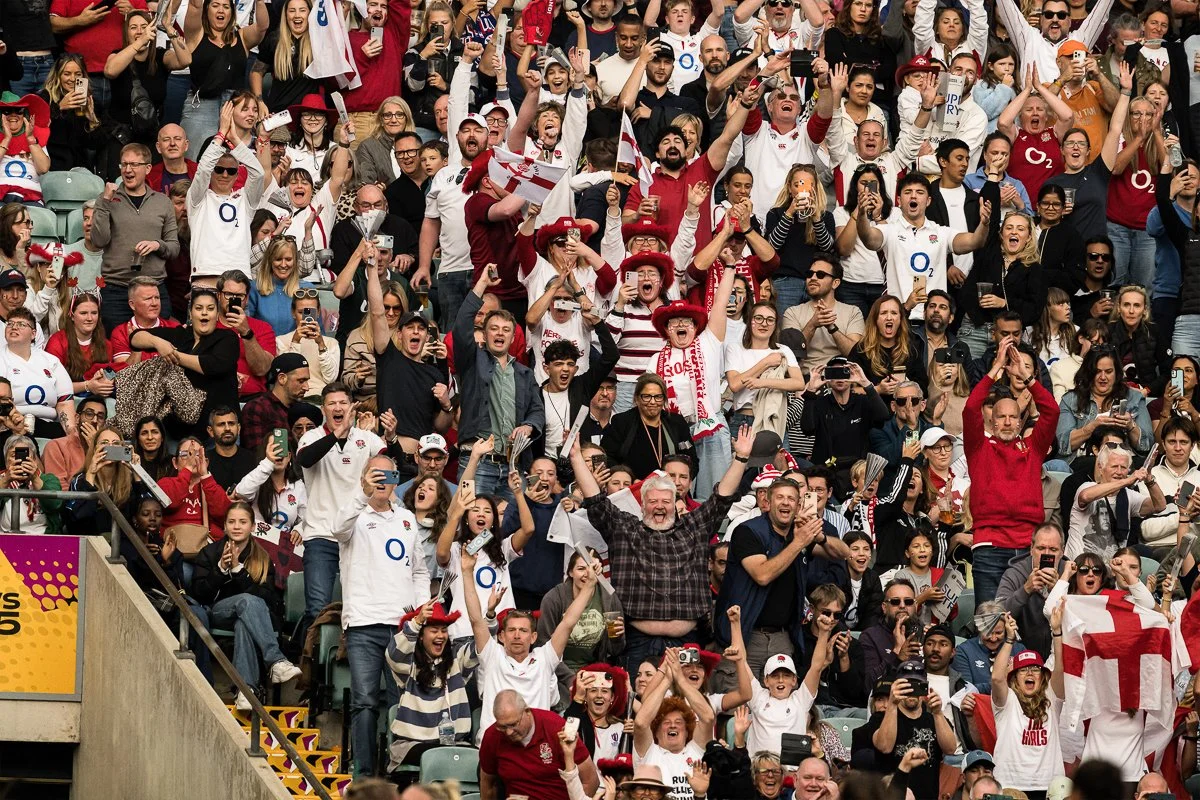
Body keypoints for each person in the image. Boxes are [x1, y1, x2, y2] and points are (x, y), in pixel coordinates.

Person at [572, 424, 753, 676]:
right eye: (653, 501)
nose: (660, 506)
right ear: (643, 504)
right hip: (636, 644)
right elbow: (595, 500)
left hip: (687, 643)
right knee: (637, 708)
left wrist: (741, 458)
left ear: (675, 502)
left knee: (683, 710)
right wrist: (575, 459)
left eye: (666, 501)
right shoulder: (625, 528)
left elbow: (721, 498)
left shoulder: (694, 527)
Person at [332, 454, 429, 777]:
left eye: (389, 475)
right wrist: (362, 494)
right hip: (363, 623)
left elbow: (419, 570)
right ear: (364, 478)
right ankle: (363, 774)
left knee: (401, 704)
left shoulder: (406, 519)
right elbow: (337, 529)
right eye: (376, 475)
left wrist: (421, 610)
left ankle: (395, 772)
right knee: (364, 701)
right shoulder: (353, 514)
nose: (383, 481)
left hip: (402, 627)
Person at [462, 535, 599, 737]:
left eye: (524, 630)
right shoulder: (493, 655)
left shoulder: (544, 658)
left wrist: (589, 588)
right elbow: (475, 619)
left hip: (535, 750)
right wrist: (466, 571)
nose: (517, 635)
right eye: (511, 630)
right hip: (496, 746)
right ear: (501, 636)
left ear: (534, 637)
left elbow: (568, 623)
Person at [964, 339, 1061, 603]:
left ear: (1021, 421)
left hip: (1028, 548)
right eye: (1001, 417)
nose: (1007, 421)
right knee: (990, 620)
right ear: (991, 421)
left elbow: (1052, 410)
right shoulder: (978, 447)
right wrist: (995, 369)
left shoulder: (1034, 447)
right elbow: (971, 407)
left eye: (1013, 417)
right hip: (989, 545)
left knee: (1030, 619)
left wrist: (1027, 377)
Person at [294, 383, 387, 644]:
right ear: (323, 409)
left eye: (343, 403)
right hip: (320, 535)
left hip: (359, 535)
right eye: (332, 404)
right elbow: (304, 460)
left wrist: (389, 438)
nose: (338, 408)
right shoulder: (311, 437)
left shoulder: (366, 438)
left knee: (359, 611)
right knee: (317, 609)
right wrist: (336, 434)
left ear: (352, 406)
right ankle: (311, 672)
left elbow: (391, 466)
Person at [191, 500, 300, 710]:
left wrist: (240, 571)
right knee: (246, 600)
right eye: (231, 522)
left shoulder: (263, 557)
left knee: (244, 621)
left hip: (251, 617)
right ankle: (275, 660)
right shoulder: (210, 553)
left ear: (252, 526)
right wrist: (221, 569)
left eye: (243, 522)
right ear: (224, 526)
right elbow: (200, 595)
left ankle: (245, 690)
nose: (237, 526)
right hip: (218, 612)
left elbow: (270, 600)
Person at [452, 268, 544, 501]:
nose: (499, 334)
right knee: (470, 521)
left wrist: (529, 426)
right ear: (483, 334)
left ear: (514, 338)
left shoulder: (524, 373)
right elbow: (461, 325)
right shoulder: (472, 360)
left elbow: (537, 410)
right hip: (478, 462)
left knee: (516, 529)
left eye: (506, 330)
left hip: (513, 467)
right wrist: (482, 283)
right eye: (493, 329)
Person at [91, 142, 180, 330]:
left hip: (153, 289)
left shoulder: (163, 202)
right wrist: (105, 202)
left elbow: (174, 248)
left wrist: (157, 245)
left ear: (148, 168)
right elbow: (99, 241)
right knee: (116, 349)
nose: (127, 170)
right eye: (124, 165)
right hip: (116, 290)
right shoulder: (106, 199)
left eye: (134, 165)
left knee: (158, 348)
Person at [129, 288, 240, 438]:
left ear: (217, 315)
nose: (204, 313)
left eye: (210, 308)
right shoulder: (179, 335)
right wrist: (157, 342)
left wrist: (172, 353)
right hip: (179, 429)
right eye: (199, 308)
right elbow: (135, 338)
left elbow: (212, 365)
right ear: (190, 313)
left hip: (218, 429)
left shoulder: (227, 338)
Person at [384, 600, 477, 774]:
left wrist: (489, 617)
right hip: (412, 744)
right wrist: (416, 622)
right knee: (437, 757)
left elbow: (481, 646)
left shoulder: (456, 660)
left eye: (444, 630)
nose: (440, 636)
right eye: (434, 631)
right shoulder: (408, 665)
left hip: (454, 745)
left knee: (479, 759)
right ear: (420, 635)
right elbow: (393, 653)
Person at [185, 102, 266, 284]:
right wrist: (221, 135)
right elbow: (204, 168)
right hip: (206, 275)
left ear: (237, 174)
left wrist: (235, 140)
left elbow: (258, 173)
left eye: (231, 171)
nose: (224, 174)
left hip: (237, 279)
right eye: (219, 169)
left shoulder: (245, 200)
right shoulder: (198, 198)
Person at [991, 611, 1066, 796]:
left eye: (1035, 669)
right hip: (1010, 783)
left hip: (1049, 786)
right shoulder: (1007, 701)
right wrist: (1009, 639)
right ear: (1015, 678)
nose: (1030, 673)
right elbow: (997, 678)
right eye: (1023, 670)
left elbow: (1061, 669)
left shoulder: (1052, 698)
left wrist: (1057, 632)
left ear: (1043, 677)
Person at [864, 658, 958, 800]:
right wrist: (892, 703)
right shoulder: (880, 718)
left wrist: (938, 713)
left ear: (926, 687)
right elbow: (884, 747)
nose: (911, 691)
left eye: (917, 684)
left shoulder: (934, 719)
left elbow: (950, 749)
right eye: (906, 685)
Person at [479, 690, 599, 800]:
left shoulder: (555, 727)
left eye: (513, 724)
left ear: (527, 712)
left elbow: (590, 781)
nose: (509, 732)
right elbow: (488, 784)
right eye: (502, 727)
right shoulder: (493, 735)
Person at [1067, 444, 1166, 561]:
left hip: (1111, 572)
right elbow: (1085, 496)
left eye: (1123, 467)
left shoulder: (1128, 495)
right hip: (1079, 567)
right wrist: (1127, 480)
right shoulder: (1088, 487)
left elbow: (1159, 505)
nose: (1119, 472)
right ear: (1100, 467)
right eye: (1114, 466)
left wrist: (1149, 478)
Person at [538, 549, 627, 672]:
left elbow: (615, 651)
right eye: (581, 569)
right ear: (570, 572)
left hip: (594, 671)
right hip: (557, 672)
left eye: (593, 569)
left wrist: (617, 638)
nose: (588, 574)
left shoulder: (608, 598)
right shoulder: (554, 598)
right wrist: (569, 678)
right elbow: (542, 645)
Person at [781, 253, 866, 375]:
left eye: (820, 275)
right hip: (807, 380)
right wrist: (812, 324)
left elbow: (854, 355)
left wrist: (832, 328)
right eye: (810, 274)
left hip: (841, 380)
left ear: (835, 283)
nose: (813, 278)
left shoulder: (853, 312)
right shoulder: (792, 312)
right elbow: (790, 354)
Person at [0, 307, 75, 439]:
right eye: (10, 324)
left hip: (49, 424)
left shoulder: (51, 361)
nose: (14, 327)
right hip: (10, 425)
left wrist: (70, 434)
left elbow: (64, 402)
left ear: (33, 333)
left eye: (21, 324)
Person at [995, 523, 1067, 660]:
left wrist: (1057, 590)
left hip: (1062, 653)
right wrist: (1025, 590)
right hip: (1023, 655)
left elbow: (1081, 618)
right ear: (1031, 549)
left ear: (1062, 551)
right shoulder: (1014, 573)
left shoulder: (1071, 572)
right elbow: (997, 616)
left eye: (1053, 549)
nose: (1047, 554)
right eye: (1041, 548)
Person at [240, 353, 310, 453]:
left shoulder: (304, 409)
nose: (306, 387)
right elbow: (257, 454)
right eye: (301, 381)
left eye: (307, 381)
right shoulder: (257, 408)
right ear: (282, 378)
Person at [952, 599, 1027, 692]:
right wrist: (1002, 680)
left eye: (999, 633)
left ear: (1006, 628)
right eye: (988, 633)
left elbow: (1027, 687)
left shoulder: (1019, 650)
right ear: (978, 628)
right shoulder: (964, 651)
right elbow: (966, 691)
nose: (993, 638)